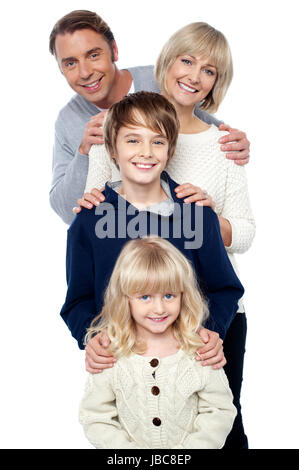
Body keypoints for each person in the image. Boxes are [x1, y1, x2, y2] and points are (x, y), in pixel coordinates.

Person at [78, 23, 255, 449]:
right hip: (133, 314)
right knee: (135, 421)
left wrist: (210, 218)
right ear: (166, 63)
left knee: (219, 424)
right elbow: (98, 206)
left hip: (211, 312)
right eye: (187, 61)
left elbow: (245, 232)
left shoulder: (224, 143)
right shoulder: (115, 127)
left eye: (209, 70)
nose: (195, 75)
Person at [60, 91, 244, 363]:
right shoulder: (89, 221)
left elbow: (225, 289)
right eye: (133, 140)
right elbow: (78, 300)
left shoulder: (197, 215)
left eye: (157, 141)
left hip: (189, 364)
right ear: (112, 148)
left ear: (170, 150)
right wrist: (92, 338)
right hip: (122, 367)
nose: (146, 152)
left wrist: (209, 333)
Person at [49, 9, 250, 226]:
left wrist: (229, 138)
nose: (85, 72)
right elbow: (71, 214)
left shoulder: (161, 79)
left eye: (94, 55)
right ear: (61, 69)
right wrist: (83, 152)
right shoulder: (68, 121)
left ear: (114, 51)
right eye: (70, 63)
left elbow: (195, 120)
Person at [79, 236, 237, 449]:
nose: (159, 308)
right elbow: (96, 417)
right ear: (125, 298)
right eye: (145, 297)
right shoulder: (111, 353)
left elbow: (219, 411)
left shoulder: (200, 350)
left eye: (169, 295)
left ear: (183, 295)